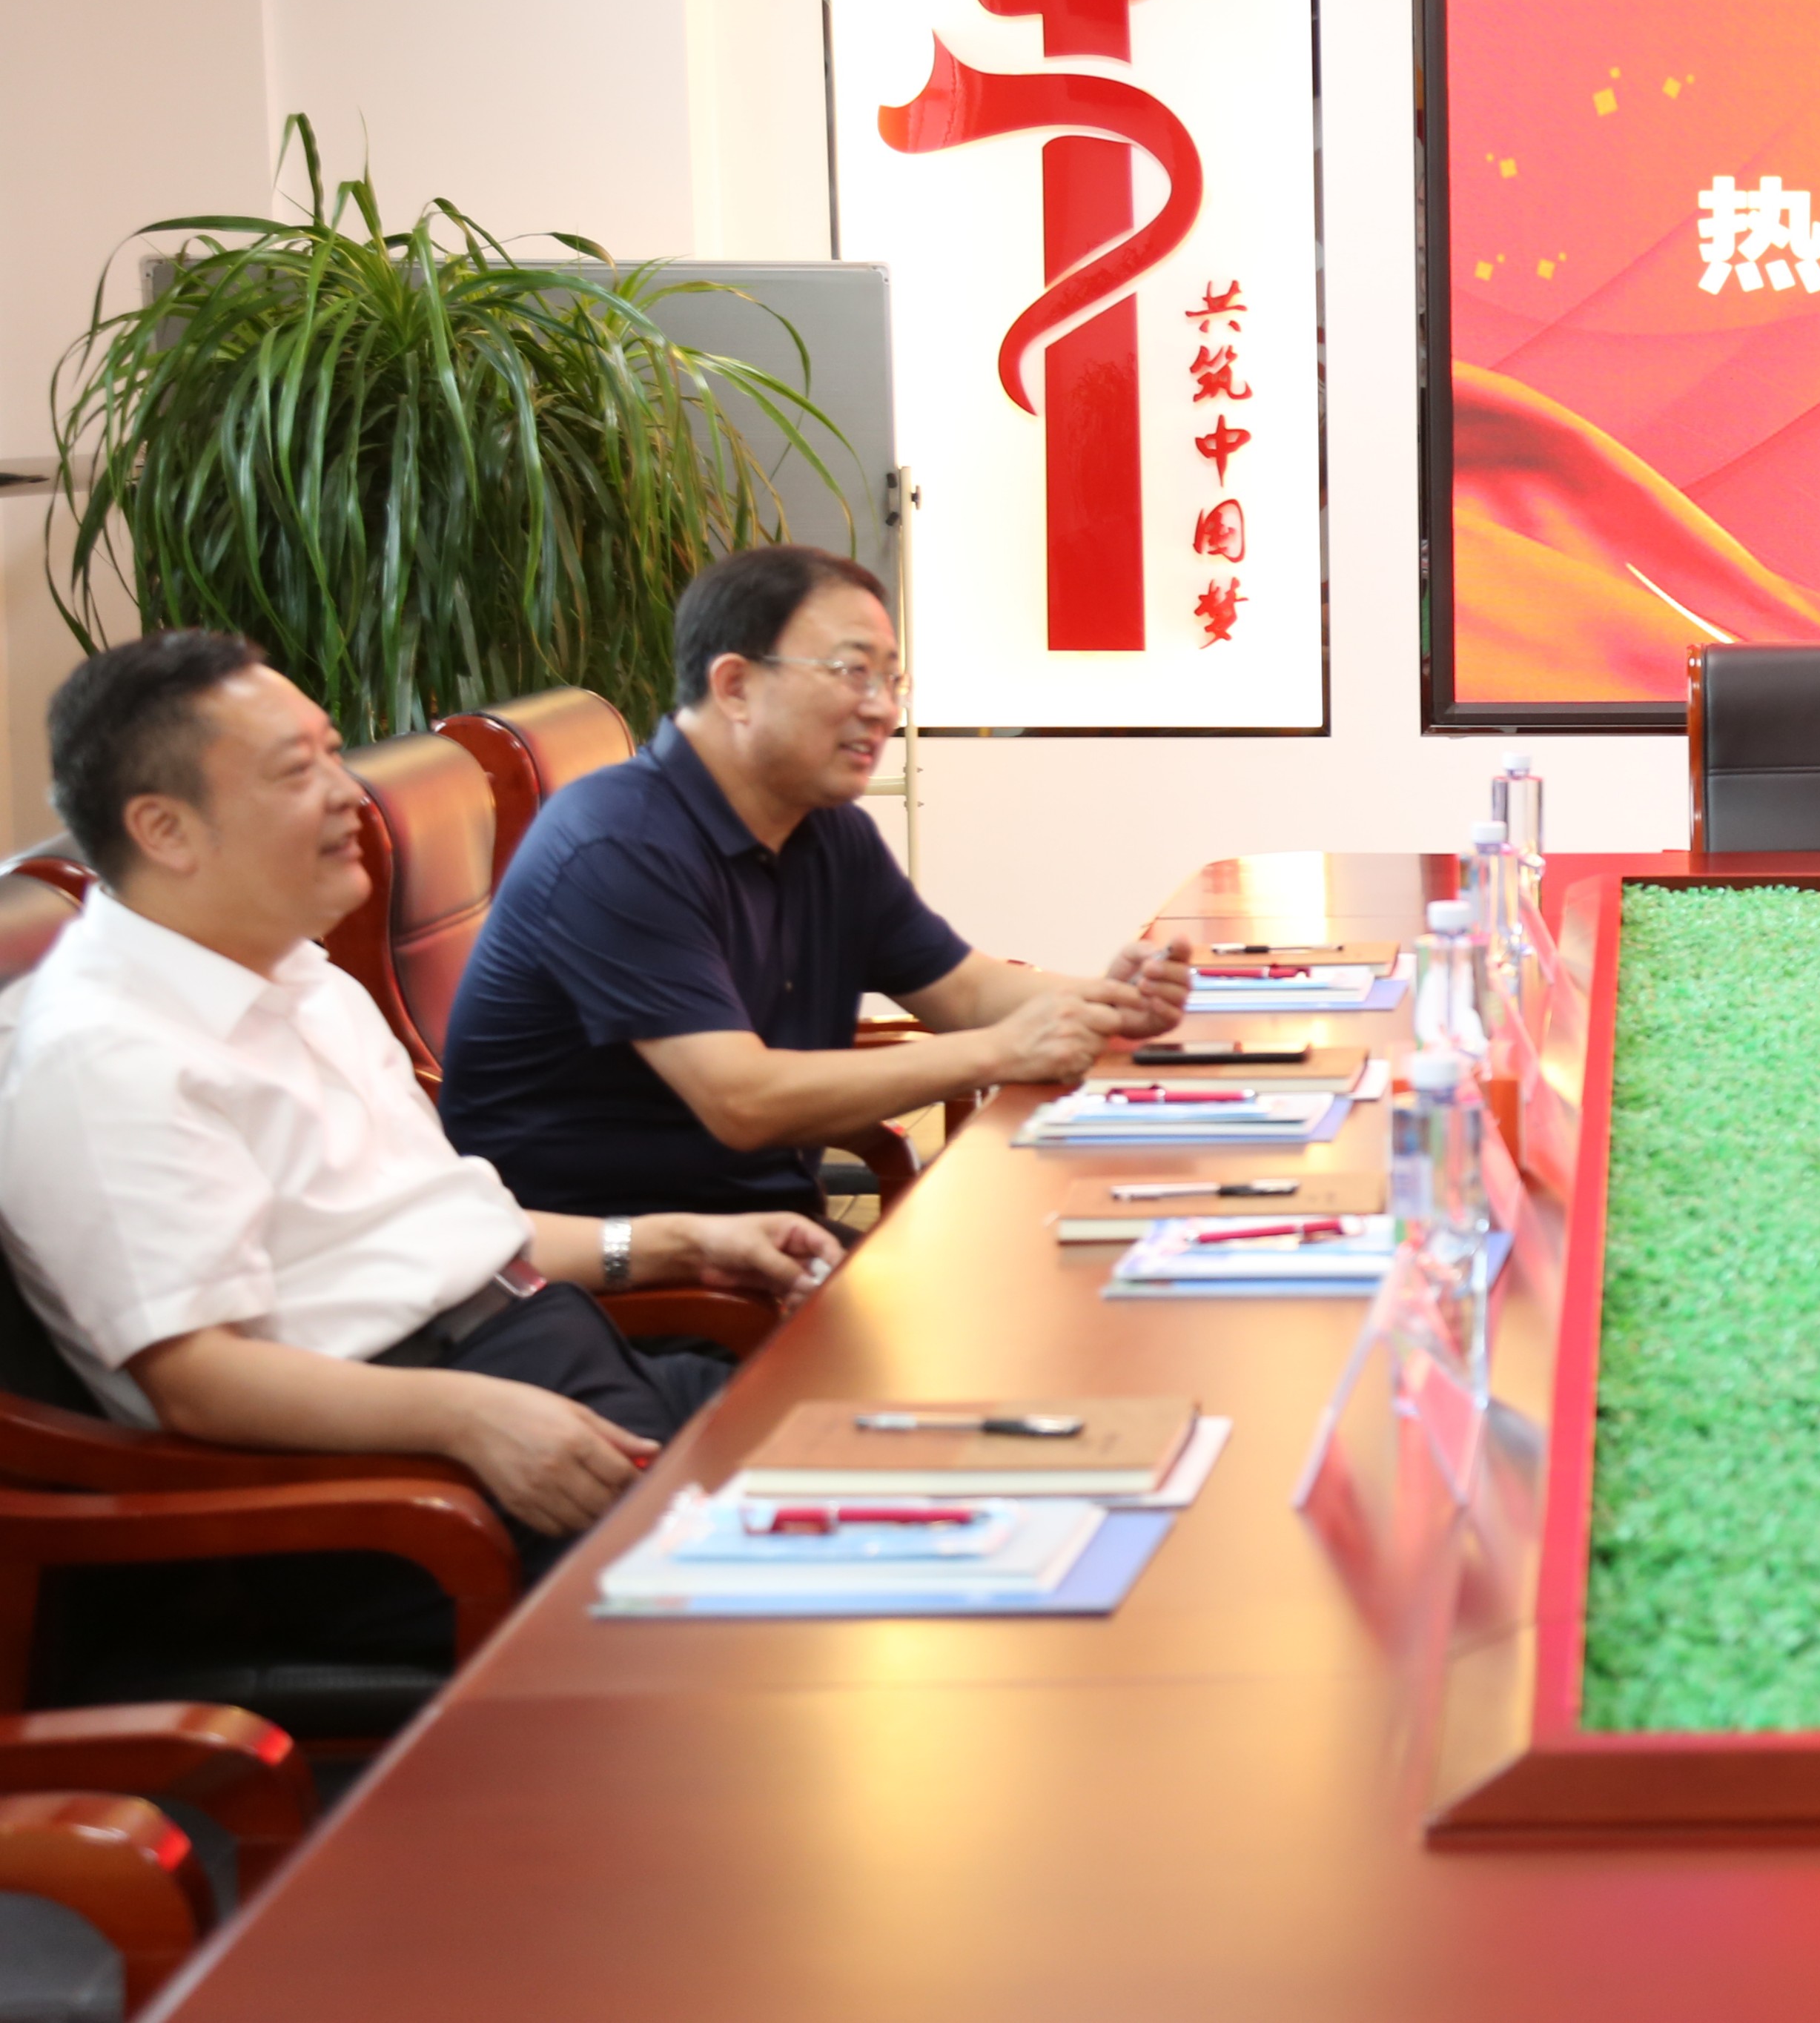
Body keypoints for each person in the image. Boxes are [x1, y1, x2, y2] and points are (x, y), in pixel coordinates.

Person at [0, 632, 841, 1569]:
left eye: (332, 752)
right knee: (822, 1581)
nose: (347, 792)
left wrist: (679, 1241)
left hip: (534, 1361)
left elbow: (436, 1230)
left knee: (883, 1430)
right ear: (165, 830)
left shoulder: (298, 974)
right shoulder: (103, 1054)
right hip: (381, 1483)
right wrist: (468, 1418)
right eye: (296, 771)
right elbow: (198, 1380)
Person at [437, 546, 1191, 1218]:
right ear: (735, 685)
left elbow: (963, 990)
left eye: (892, 679)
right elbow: (741, 1100)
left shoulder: (827, 831)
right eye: (851, 672)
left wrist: (1107, 1002)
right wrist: (1001, 1052)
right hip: (618, 1277)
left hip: (763, 1233)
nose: (882, 708)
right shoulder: (618, 845)